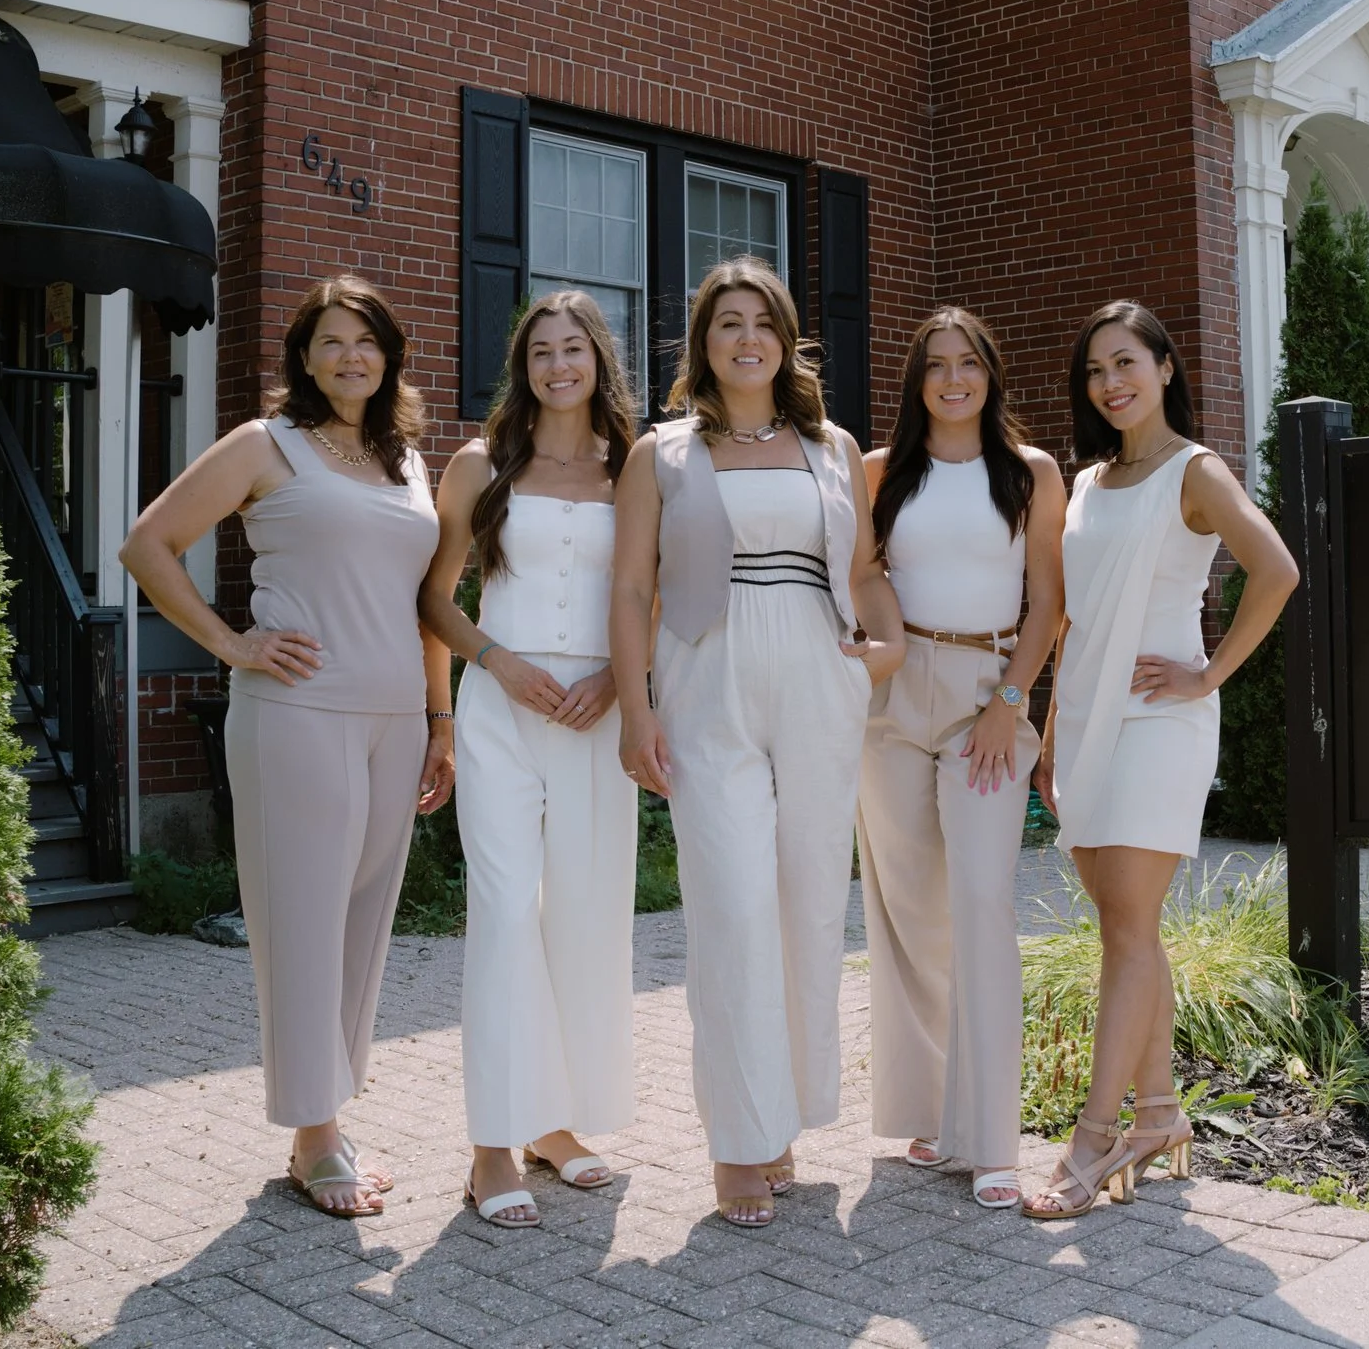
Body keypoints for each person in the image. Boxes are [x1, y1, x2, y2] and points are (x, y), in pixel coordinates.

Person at [120, 275, 450, 1220]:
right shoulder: (267, 445)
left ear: (389, 356)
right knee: (301, 919)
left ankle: (330, 1116)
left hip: (396, 721)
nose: (352, 356)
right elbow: (149, 543)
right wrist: (231, 642)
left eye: (369, 342)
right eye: (332, 341)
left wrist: (440, 721)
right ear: (304, 357)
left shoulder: (405, 462)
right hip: (297, 712)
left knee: (362, 923)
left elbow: (426, 604)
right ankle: (311, 1138)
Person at [609, 256, 903, 1228]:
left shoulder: (831, 446)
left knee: (810, 904)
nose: (746, 337)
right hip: (705, 674)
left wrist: (884, 639)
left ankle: (780, 1118)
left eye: (762, 321)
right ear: (704, 342)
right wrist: (635, 709)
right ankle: (735, 1141)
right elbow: (629, 590)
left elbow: (860, 571)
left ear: (785, 340)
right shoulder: (662, 454)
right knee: (731, 907)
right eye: (726, 321)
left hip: (819, 676)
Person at [1023, 301, 1297, 1220]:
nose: (1112, 382)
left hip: (1161, 719)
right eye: (1096, 369)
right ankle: (1161, 1113)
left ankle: (1092, 1141)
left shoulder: (1197, 471)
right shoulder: (1088, 481)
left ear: (1166, 367)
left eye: (1127, 362)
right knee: (1124, 929)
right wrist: (1053, 725)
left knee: (1129, 928)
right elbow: (1072, 616)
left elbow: (1278, 570)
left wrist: (1209, 669)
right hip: (1091, 720)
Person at [419, 291, 639, 1231]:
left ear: (598, 361)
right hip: (501, 710)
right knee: (507, 914)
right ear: (525, 364)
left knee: (585, 919)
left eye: (574, 348)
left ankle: (555, 1123)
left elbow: (655, 594)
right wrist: (492, 663)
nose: (559, 365)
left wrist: (621, 684)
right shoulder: (481, 463)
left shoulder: (637, 466)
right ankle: (490, 1146)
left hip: (595, 713)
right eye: (542, 350)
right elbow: (432, 597)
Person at [858, 308, 1064, 1209]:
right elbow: (861, 573)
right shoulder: (879, 472)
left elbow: (1049, 600)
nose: (952, 379)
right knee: (905, 907)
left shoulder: (1029, 474)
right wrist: (888, 640)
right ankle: (930, 1110)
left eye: (968, 363)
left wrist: (1012, 702)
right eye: (936, 365)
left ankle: (990, 1138)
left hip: (991, 689)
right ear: (917, 380)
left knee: (981, 902)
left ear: (990, 373)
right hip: (896, 693)